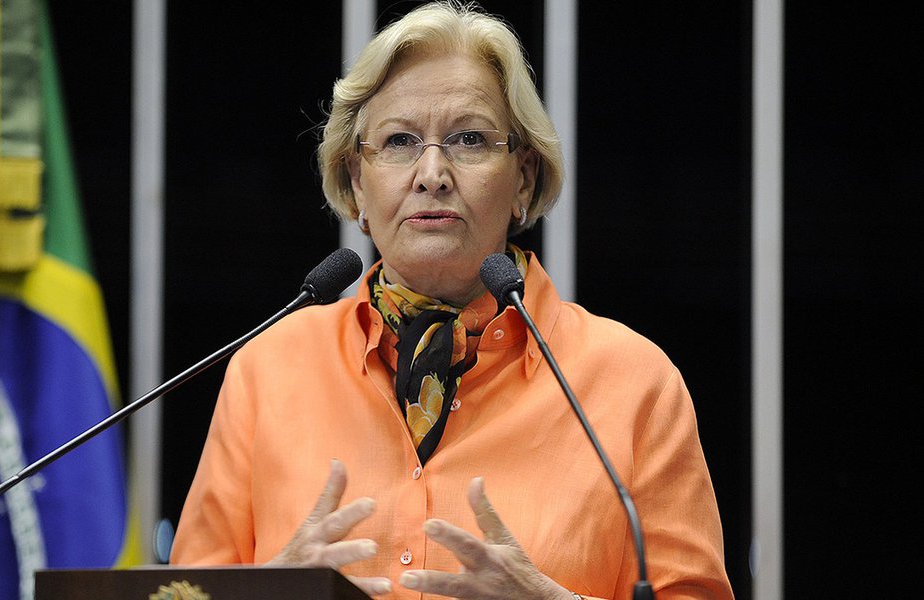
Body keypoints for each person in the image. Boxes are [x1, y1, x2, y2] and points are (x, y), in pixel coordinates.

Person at [170, 2, 734, 599]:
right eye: (398, 141)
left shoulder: (631, 383)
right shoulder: (267, 371)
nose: (432, 172)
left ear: (522, 177)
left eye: (469, 139)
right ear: (358, 182)